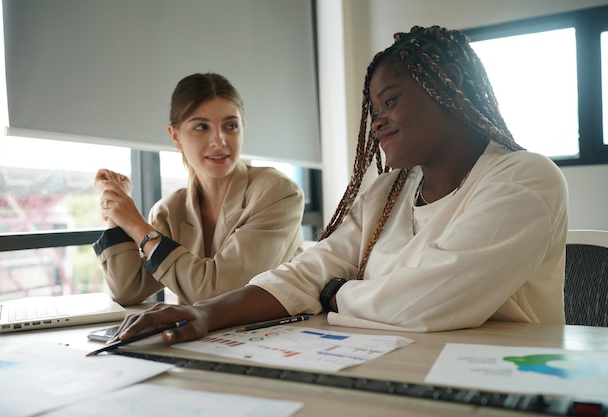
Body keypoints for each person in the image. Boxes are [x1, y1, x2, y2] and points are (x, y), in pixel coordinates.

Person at [111, 25, 567, 344]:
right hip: (393, 364)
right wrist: (206, 313)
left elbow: (428, 303)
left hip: (498, 382)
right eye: (373, 109)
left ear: (450, 88)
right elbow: (311, 270)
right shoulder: (387, 192)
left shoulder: (524, 178)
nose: (377, 122)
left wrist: (334, 294)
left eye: (390, 101)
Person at [93, 73, 305, 306]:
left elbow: (218, 293)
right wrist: (116, 208)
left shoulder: (277, 192)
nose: (219, 140)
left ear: (243, 129)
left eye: (231, 126)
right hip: (202, 339)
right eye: (202, 127)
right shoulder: (170, 210)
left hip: (277, 336)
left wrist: (137, 225)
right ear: (175, 136)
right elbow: (127, 290)